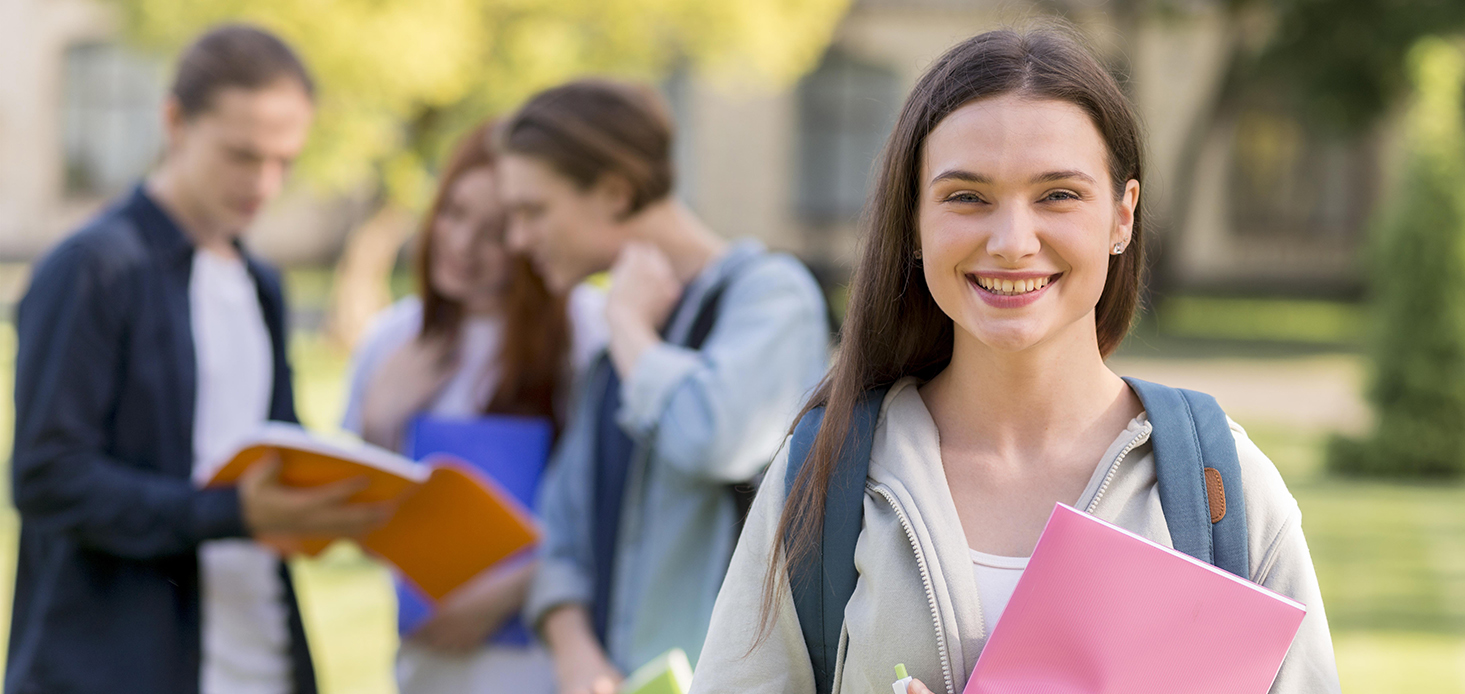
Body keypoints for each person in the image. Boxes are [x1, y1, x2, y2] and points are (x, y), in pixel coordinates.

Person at [691, 28, 1341, 694]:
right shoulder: (825, 475)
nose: (1010, 241)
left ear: (1122, 216)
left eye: (1058, 195)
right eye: (965, 197)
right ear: (912, 221)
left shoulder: (1219, 488)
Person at [8, 24, 388, 694]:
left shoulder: (262, 283)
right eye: (242, 156)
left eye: (284, 161)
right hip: (118, 665)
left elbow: (274, 450)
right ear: (175, 121)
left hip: (260, 657)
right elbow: (47, 476)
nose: (264, 184)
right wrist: (232, 513)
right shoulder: (92, 268)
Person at [494, 79, 831, 693]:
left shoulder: (770, 295)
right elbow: (560, 537)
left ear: (616, 193)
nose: (517, 240)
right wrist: (576, 656)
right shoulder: (616, 350)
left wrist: (627, 327)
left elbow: (718, 437)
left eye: (532, 211)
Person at [340, 119, 606, 694]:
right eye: (454, 214)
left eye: (492, 232)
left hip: (546, 661)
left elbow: (608, 513)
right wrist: (379, 422)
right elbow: (349, 526)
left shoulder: (587, 334)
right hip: (426, 662)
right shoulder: (393, 339)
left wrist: (512, 588)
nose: (461, 246)